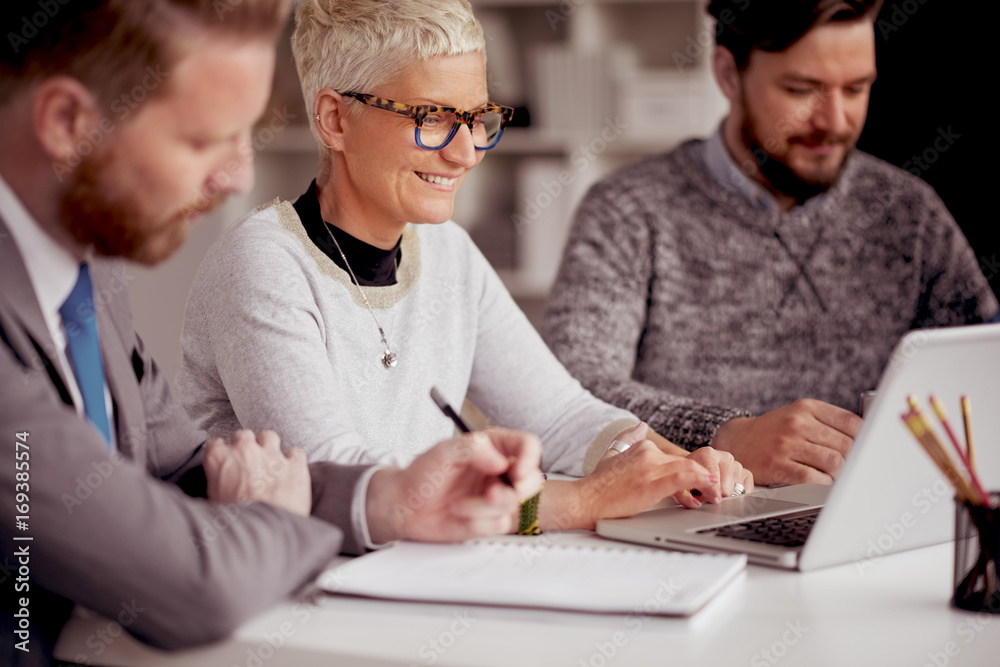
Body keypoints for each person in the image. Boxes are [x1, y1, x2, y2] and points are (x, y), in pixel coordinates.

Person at [0, 2, 546, 665]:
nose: (238, 177)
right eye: (204, 139)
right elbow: (192, 588)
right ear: (66, 123)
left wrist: (393, 500)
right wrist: (276, 516)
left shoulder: (87, 283)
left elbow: (182, 467)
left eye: (247, 136)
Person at [175, 0, 753, 539]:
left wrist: (676, 466)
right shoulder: (261, 265)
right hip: (297, 599)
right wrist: (583, 502)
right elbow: (337, 483)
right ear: (334, 120)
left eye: (477, 118)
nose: (466, 151)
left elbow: (558, 413)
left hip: (419, 580)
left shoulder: (447, 250)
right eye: (431, 118)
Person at [541, 0, 999, 487]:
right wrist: (725, 435)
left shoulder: (910, 214)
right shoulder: (628, 209)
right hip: (688, 519)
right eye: (802, 90)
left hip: (870, 518)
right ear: (727, 74)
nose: (835, 120)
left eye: (856, 88)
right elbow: (571, 387)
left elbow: (983, 368)